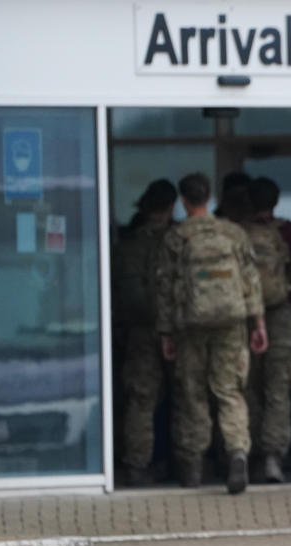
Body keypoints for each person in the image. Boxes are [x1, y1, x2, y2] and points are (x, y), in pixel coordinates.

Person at [156, 172, 268, 491]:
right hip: (232, 324)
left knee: (192, 394)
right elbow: (251, 281)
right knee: (230, 391)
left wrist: (165, 333)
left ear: (183, 201)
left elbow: (165, 288)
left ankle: (193, 467)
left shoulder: (176, 237)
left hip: (190, 326)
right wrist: (258, 323)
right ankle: (236, 454)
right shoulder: (233, 233)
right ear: (211, 198)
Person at [113, 179, 177, 487]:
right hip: (181, 332)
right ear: (171, 207)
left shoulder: (132, 245)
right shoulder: (182, 240)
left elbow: (127, 294)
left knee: (141, 400)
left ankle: (138, 466)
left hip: (143, 331)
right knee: (190, 399)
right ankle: (191, 465)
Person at [243, 177, 291, 483]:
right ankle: (273, 458)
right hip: (281, 316)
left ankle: (248, 455)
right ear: (276, 201)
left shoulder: (237, 233)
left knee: (247, 388)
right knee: (278, 389)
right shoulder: (289, 232)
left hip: (244, 320)